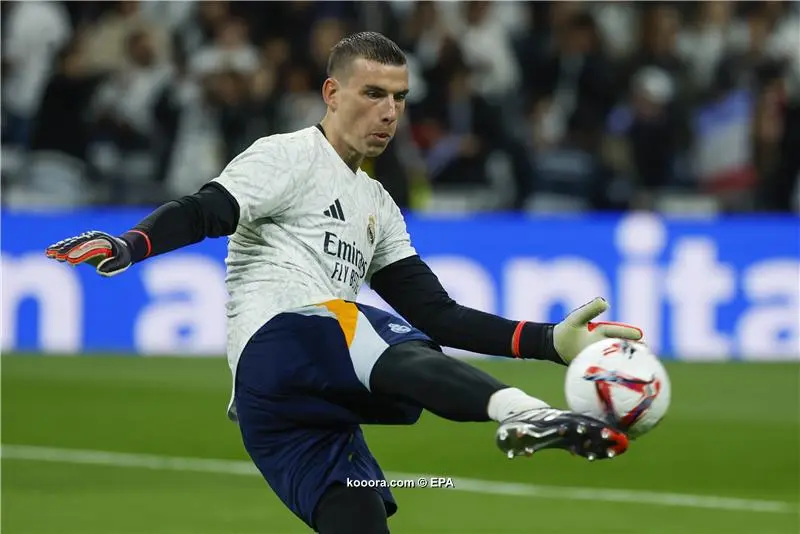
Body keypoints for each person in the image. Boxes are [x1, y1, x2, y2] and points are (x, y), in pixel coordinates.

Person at [45, 32, 644, 534]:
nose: (389, 112)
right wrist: (131, 243)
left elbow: (440, 314)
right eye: (374, 94)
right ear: (332, 94)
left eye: (401, 99)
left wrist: (549, 342)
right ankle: (525, 413)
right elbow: (207, 209)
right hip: (277, 346)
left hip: (300, 412)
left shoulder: (377, 205)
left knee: (360, 516)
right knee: (367, 325)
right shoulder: (288, 156)